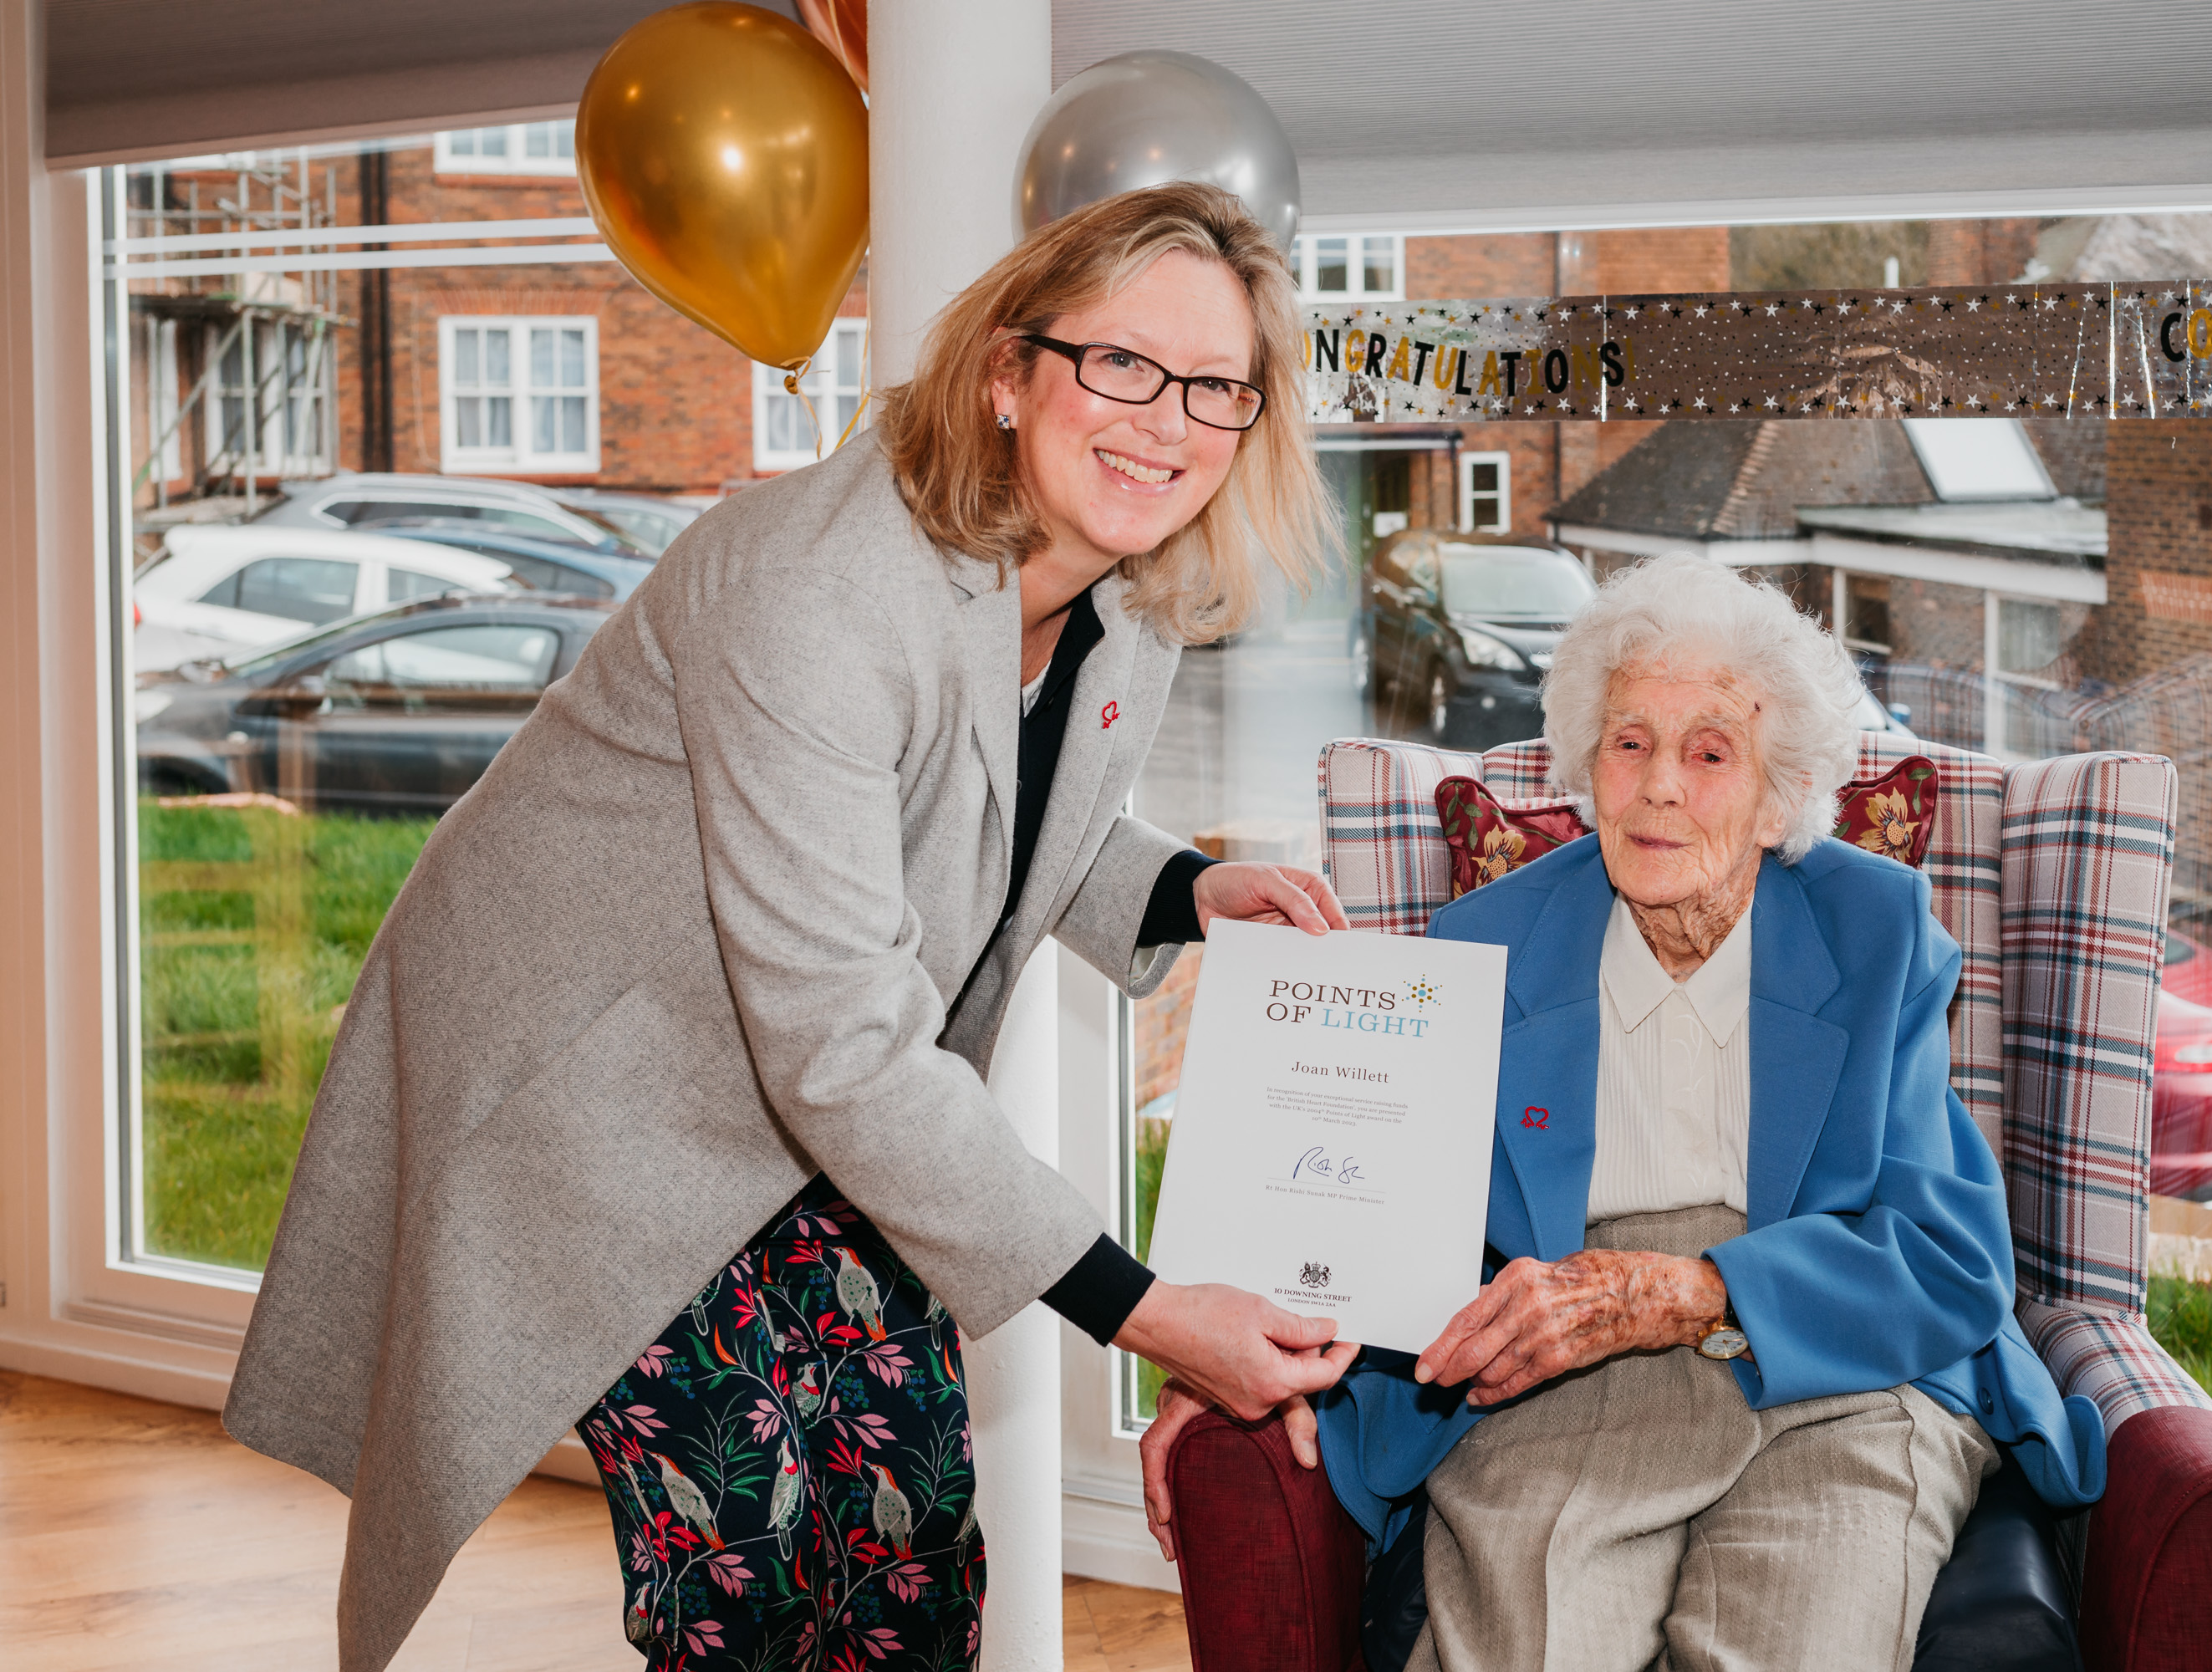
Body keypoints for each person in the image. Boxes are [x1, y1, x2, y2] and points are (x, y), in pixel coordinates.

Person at [223, 182, 1361, 1672]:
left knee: (907, 1527)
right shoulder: (816, 582)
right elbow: (844, 1044)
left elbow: (983, 811)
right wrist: (1143, 1311)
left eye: (1217, 385)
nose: (1167, 418)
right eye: (1122, 363)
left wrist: (1181, 887)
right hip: (602, 1080)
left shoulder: (1124, 593)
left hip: (812, 1079)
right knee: (748, 1562)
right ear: (1009, 377)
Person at [1140, 556, 2106, 1672]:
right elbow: (1365, 1214)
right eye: (1630, 741)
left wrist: (1689, 1292)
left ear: (1779, 792)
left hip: (1837, 1368)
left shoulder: (1875, 933)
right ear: (1586, 764)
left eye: (1710, 752)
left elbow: (1947, 1257)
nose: (1659, 787)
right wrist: (1225, 1355)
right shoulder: (1480, 950)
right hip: (1561, 1375)